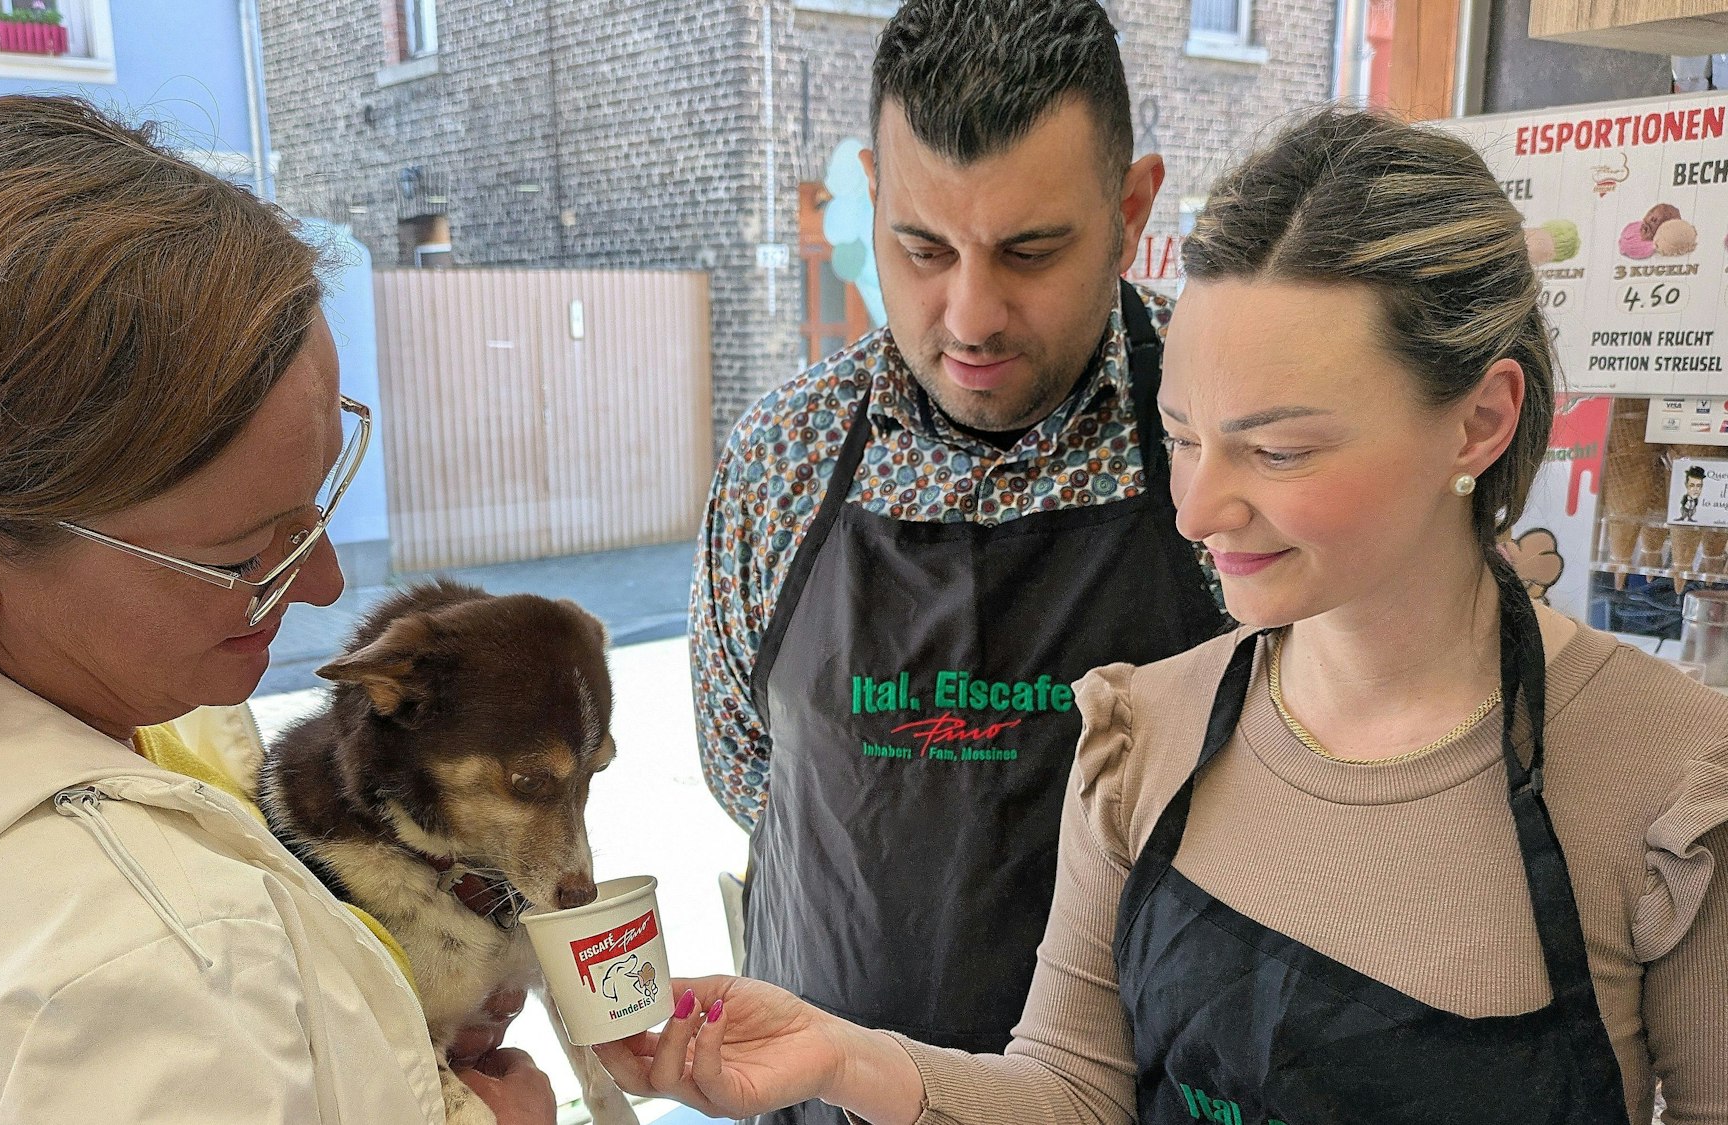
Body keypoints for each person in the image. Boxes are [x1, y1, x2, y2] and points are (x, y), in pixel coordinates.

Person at [612, 109, 1728, 1125]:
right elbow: (1073, 1089)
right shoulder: (1143, 730)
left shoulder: (1672, 784)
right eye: (1182, 436)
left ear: (1479, 421)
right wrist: (842, 1057)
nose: (1197, 510)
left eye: (1276, 449)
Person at [0, 96, 553, 1125]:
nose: (324, 583)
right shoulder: (151, 972)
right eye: (241, 554)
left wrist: (370, 1030)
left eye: (316, 502)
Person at [688, 3, 1224, 1115]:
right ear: (871, 199)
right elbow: (747, 769)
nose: (971, 316)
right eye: (922, 249)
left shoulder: (1224, 434)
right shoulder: (783, 459)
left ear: (1130, 212)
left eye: (1030, 252)